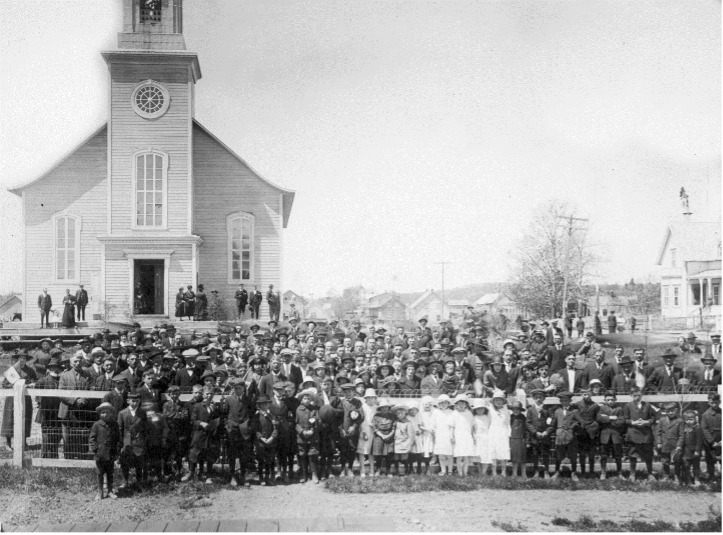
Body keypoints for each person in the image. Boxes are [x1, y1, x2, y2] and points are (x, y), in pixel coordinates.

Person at [59, 353, 92, 459]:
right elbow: (61, 392)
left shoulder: (87, 375)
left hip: (82, 410)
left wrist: (84, 400)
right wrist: (75, 400)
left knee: (82, 435)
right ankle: (69, 458)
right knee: (68, 436)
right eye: (75, 361)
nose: (77, 363)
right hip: (68, 410)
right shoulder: (64, 375)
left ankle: (82, 458)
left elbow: (91, 390)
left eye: (79, 361)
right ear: (70, 363)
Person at [623, 386, 656, 481]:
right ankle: (632, 474)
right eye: (634, 396)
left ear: (642, 395)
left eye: (638, 395)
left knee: (648, 455)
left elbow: (653, 418)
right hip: (633, 433)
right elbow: (625, 419)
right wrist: (633, 422)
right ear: (631, 395)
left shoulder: (648, 405)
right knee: (633, 454)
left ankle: (650, 473)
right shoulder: (628, 406)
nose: (637, 397)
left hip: (645, 434)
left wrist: (646, 422)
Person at [89, 402, 120, 500]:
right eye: (102, 412)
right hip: (100, 453)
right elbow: (92, 439)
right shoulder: (97, 425)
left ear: (111, 413)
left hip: (110, 453)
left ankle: (110, 491)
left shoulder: (114, 425)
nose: (105, 414)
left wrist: (116, 451)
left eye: (107, 412)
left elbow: (117, 438)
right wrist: (96, 449)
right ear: (99, 414)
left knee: (110, 472)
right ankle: (100, 492)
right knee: (100, 473)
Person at [118, 389, 147, 489]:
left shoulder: (142, 413)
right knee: (125, 462)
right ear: (128, 401)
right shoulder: (122, 413)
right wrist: (121, 443)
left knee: (139, 461)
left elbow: (145, 427)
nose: (135, 403)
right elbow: (120, 429)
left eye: (137, 401)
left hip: (138, 440)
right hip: (127, 441)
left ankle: (139, 481)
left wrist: (142, 439)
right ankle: (125, 481)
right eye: (132, 401)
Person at [34, 357, 63, 458]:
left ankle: (54, 457)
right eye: (52, 367)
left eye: (57, 367)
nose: (55, 370)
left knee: (57, 436)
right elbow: (36, 391)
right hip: (46, 413)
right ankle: (44, 458)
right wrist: (40, 401)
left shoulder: (61, 380)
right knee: (46, 437)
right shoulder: (43, 381)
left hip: (58, 413)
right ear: (49, 369)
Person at [551, 391, 580, 481]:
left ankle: (574, 473)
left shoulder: (574, 411)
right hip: (560, 436)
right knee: (559, 455)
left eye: (566, 400)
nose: (564, 402)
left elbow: (579, 421)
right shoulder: (557, 411)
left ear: (570, 400)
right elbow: (554, 424)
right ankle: (557, 472)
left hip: (571, 436)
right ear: (560, 402)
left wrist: (572, 426)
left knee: (573, 455)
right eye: (562, 400)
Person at [597, 390, 625, 480]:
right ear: (605, 400)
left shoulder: (619, 409)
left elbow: (621, 421)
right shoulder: (602, 408)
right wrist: (611, 418)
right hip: (605, 435)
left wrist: (607, 419)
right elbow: (599, 419)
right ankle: (603, 472)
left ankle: (619, 473)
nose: (610, 401)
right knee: (603, 454)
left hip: (616, 435)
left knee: (618, 455)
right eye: (608, 400)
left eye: (612, 399)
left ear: (615, 399)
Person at [526, 389, 553, 479]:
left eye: (540, 397)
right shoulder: (530, 410)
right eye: (536, 397)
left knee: (545, 454)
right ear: (533, 399)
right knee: (535, 454)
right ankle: (536, 472)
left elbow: (551, 423)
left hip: (545, 436)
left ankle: (546, 472)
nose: (538, 399)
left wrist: (546, 432)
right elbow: (528, 423)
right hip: (535, 436)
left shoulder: (547, 410)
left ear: (544, 398)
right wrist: (535, 432)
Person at [296, 388, 320, 483]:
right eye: (305, 398)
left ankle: (314, 474)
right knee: (302, 454)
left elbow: (317, 421)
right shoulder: (298, 409)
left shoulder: (314, 409)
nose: (307, 400)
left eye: (308, 399)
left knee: (312, 454)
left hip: (313, 436)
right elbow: (296, 423)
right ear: (301, 400)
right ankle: (304, 474)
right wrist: (302, 431)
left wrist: (312, 430)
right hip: (302, 437)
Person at [655, 402, 683, 483]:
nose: (670, 413)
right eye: (668, 411)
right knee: (665, 461)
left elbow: (681, 435)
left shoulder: (679, 421)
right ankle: (665, 476)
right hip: (665, 444)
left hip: (675, 445)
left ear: (676, 410)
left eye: (672, 411)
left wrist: (679, 445)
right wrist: (659, 442)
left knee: (677, 461)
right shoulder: (662, 420)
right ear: (665, 411)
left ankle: (677, 476)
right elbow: (658, 432)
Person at [676, 410, 704, 486]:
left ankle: (696, 478)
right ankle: (688, 480)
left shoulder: (698, 428)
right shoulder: (684, 428)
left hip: (695, 451)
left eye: (691, 420)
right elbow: (681, 438)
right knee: (686, 466)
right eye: (687, 420)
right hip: (686, 451)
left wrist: (697, 450)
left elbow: (699, 441)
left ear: (695, 419)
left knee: (696, 466)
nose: (689, 422)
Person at [487, 390, 511, 478]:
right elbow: (488, 422)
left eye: (500, 400)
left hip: (503, 433)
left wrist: (509, 433)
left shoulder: (506, 411)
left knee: (503, 452)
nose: (498, 402)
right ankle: (494, 472)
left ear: (503, 401)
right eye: (496, 400)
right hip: (493, 432)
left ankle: (503, 471)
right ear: (493, 401)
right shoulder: (490, 410)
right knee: (493, 452)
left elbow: (508, 423)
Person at [451, 394, 475, 477]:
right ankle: (459, 472)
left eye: (463, 404)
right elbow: (452, 427)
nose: (461, 406)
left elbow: (471, 426)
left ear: (466, 405)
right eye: (459, 404)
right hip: (458, 436)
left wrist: (472, 436)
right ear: (456, 405)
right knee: (459, 456)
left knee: (466, 456)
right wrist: (452, 436)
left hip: (467, 436)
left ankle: (465, 472)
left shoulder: (469, 413)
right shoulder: (454, 414)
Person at [357, 389, 378, 477]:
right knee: (362, 451)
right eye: (368, 398)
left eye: (372, 398)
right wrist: (362, 431)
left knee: (371, 451)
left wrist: (375, 425)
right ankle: (362, 470)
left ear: (375, 398)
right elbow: (361, 420)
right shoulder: (363, 407)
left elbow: (377, 419)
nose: (370, 400)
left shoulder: (376, 407)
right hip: (364, 430)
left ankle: (372, 470)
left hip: (373, 431)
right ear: (365, 398)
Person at [701, 392, 721, 481]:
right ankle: (711, 477)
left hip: (721, 440)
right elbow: (704, 429)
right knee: (710, 460)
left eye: (717, 402)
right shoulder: (705, 415)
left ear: (719, 401)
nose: (715, 404)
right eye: (712, 402)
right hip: (710, 442)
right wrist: (712, 442)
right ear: (708, 402)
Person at [372, 403, 396, 477]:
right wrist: (382, 435)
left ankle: (388, 471)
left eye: (386, 407)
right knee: (378, 454)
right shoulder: (376, 417)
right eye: (382, 407)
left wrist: (389, 435)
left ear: (389, 408)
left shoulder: (393, 416)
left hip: (390, 435)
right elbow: (375, 428)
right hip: (379, 435)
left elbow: (394, 428)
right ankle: (378, 470)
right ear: (380, 408)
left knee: (389, 454)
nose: (384, 409)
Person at [471, 398, 491, 477]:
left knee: (485, 456)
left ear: (484, 409)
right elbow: (472, 429)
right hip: (478, 438)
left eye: (481, 408)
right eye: (477, 409)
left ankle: (484, 472)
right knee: (478, 456)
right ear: (475, 410)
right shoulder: (474, 418)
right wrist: (473, 437)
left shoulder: (487, 417)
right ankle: (480, 471)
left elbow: (489, 427)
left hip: (486, 438)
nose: (480, 410)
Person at [392, 405, 413, 476]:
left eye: (401, 413)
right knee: (396, 457)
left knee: (404, 457)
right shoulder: (396, 422)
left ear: (405, 414)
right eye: (398, 414)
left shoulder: (408, 422)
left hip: (404, 442)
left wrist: (410, 443)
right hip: (397, 441)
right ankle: (396, 470)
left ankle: (406, 470)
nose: (399, 415)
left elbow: (410, 434)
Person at [508, 400, 527, 478]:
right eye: (514, 409)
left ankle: (524, 473)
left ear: (520, 410)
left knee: (523, 458)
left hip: (521, 438)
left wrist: (527, 440)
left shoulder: (523, 418)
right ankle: (514, 473)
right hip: (513, 439)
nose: (515, 411)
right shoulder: (510, 417)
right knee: (514, 458)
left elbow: (526, 429)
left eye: (517, 409)